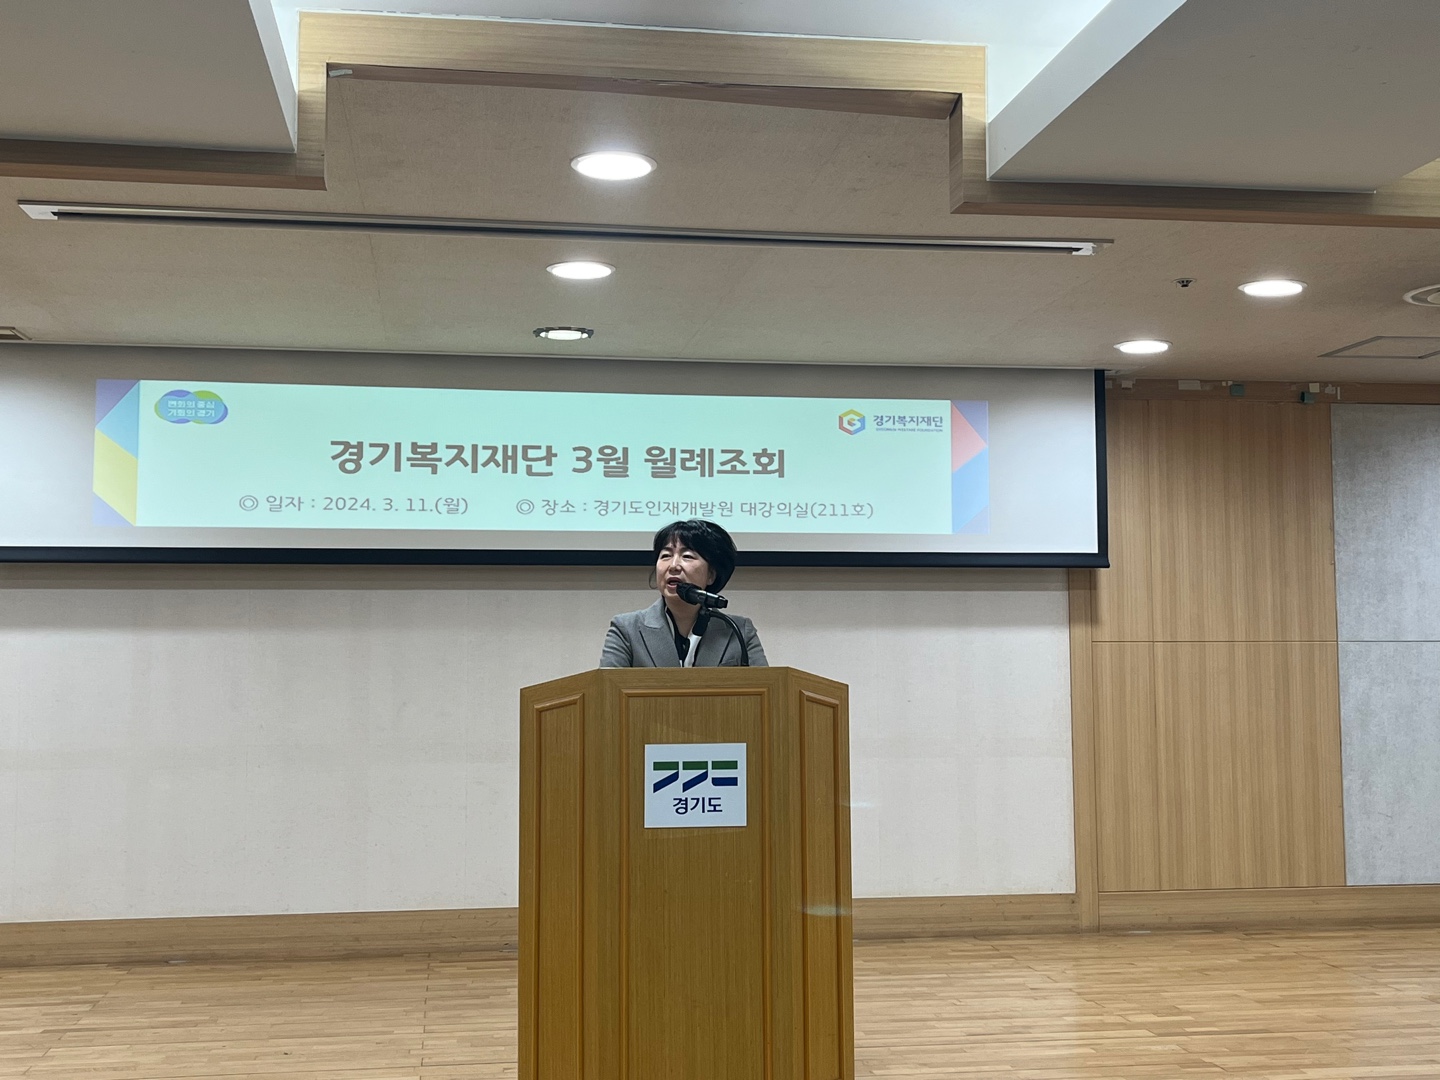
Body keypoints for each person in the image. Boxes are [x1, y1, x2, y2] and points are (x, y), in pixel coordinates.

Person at [600, 519, 768, 668]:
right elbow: (608, 690)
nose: (673, 566)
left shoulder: (739, 631)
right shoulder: (626, 629)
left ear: (711, 575)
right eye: (666, 555)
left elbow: (766, 689)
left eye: (687, 556)